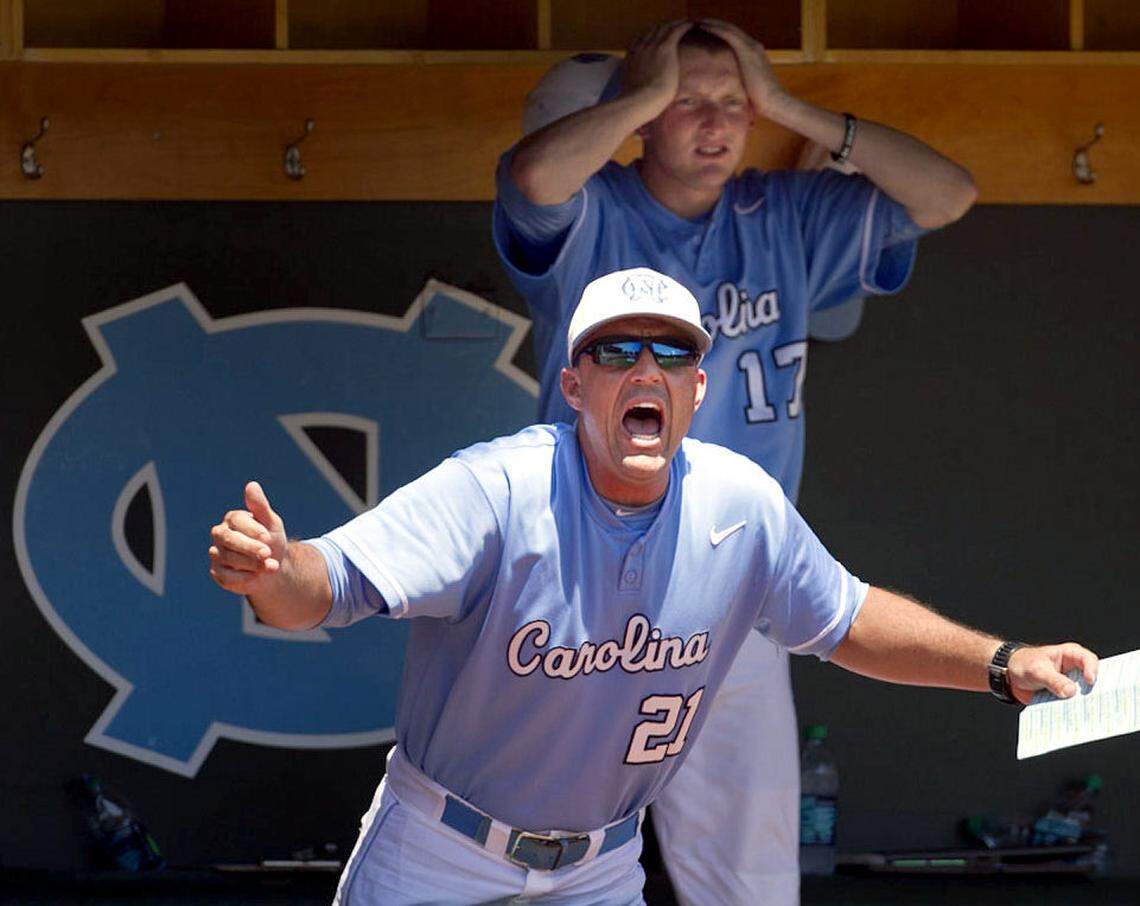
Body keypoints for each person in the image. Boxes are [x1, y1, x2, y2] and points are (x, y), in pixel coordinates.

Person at [209, 267, 1094, 906]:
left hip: (596, 871)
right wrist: (277, 571)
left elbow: (850, 619)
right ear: (573, 383)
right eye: (616, 350)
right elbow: (327, 586)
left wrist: (1000, 661)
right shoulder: (498, 488)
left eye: (670, 354)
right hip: (444, 856)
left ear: (696, 387)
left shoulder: (740, 505)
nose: (645, 369)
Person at [492, 19, 978, 903]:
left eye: (733, 105)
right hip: (580, 575)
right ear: (642, 113)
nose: (714, 124)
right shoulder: (596, 204)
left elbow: (949, 193)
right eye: (688, 105)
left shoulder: (783, 212)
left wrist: (791, 106)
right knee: (536, 859)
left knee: (749, 875)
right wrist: (642, 92)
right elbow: (532, 179)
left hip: (736, 578)